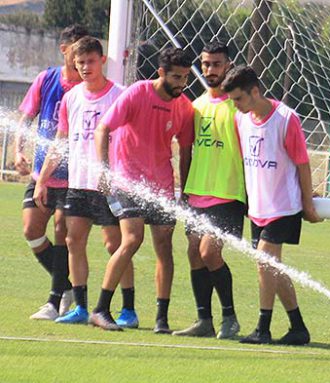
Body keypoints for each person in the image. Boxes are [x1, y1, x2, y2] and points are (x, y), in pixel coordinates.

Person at [33, 37, 137, 327]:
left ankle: (128, 308)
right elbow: (61, 140)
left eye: (90, 61)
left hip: (109, 184)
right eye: (80, 63)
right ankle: (80, 307)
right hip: (78, 182)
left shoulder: (120, 94)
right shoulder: (71, 97)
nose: (85, 67)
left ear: (102, 61)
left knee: (114, 244)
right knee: (72, 240)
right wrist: (43, 179)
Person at [90, 47, 195, 333]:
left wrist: (184, 191)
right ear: (161, 73)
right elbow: (103, 129)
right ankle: (100, 309)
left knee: (165, 247)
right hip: (127, 180)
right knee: (132, 239)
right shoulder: (138, 92)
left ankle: (161, 319)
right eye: (176, 76)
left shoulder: (184, 106)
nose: (181, 83)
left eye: (185, 77)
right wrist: (104, 170)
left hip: (161, 185)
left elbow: (186, 151)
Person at [222, 65, 322, 345]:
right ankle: (298, 327)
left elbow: (302, 164)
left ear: (255, 91)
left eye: (239, 98)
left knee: (264, 263)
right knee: (273, 268)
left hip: (283, 206)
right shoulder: (240, 120)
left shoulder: (285, 118)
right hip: (258, 208)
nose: (236, 105)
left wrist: (307, 204)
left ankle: (262, 328)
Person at [172, 41, 246, 339]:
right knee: (194, 253)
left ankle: (230, 317)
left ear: (228, 65)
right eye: (205, 64)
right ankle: (204, 320)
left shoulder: (238, 107)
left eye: (216, 64)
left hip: (228, 193)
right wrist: (184, 191)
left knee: (209, 251)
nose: (210, 70)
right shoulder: (196, 106)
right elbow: (186, 152)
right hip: (197, 192)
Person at [16, 24, 89, 320]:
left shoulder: (86, 87)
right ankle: (68, 286)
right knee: (32, 230)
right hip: (41, 172)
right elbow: (26, 117)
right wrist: (18, 150)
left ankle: (54, 299)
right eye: (76, 52)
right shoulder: (46, 79)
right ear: (65, 50)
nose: (80, 60)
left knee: (62, 232)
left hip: (73, 177)